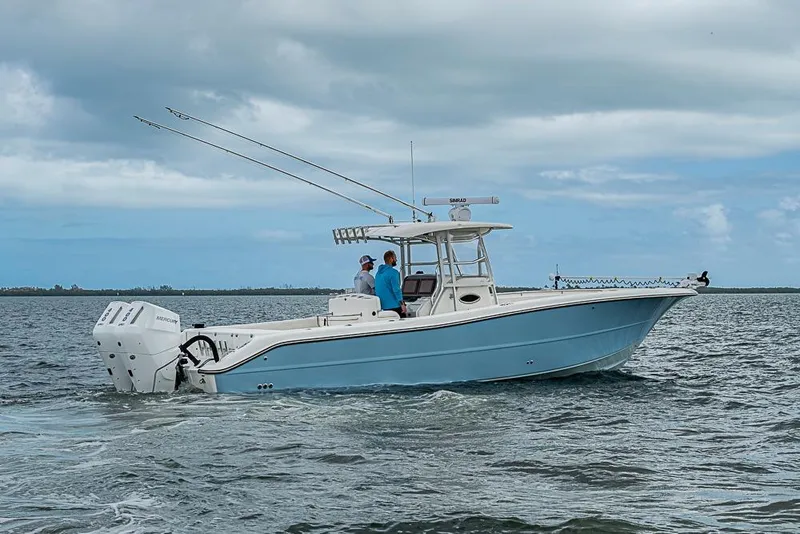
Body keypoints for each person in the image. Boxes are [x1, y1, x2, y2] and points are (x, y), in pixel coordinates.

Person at [375, 250, 406, 317]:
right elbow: (396, 290)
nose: (396, 260)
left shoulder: (378, 273)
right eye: (395, 258)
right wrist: (402, 304)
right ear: (391, 259)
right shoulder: (393, 272)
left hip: (383, 307)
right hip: (394, 307)